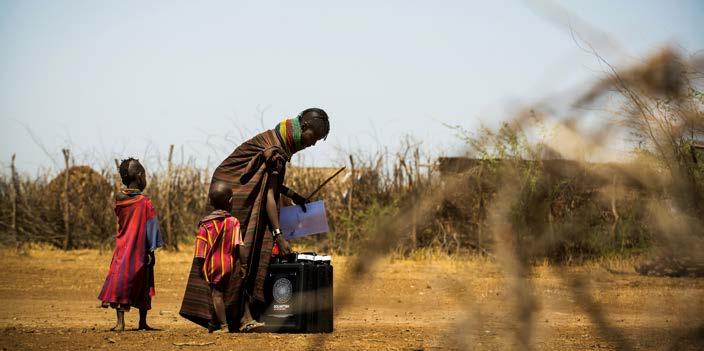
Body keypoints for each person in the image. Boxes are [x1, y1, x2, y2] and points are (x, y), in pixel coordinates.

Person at [180, 107, 329, 332]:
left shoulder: (276, 141)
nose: (313, 143)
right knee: (244, 254)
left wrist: (292, 196)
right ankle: (239, 317)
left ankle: (236, 316)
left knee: (244, 253)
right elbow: (268, 194)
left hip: (232, 190)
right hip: (234, 195)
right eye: (314, 138)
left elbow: (269, 184)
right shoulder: (275, 150)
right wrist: (279, 235)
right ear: (304, 128)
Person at [98, 158, 164, 332]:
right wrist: (152, 249)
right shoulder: (144, 202)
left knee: (121, 282)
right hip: (140, 250)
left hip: (123, 248)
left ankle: (121, 323)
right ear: (140, 176)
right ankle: (142, 322)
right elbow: (152, 227)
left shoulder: (119, 199)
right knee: (145, 282)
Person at [193, 182, 261, 332]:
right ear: (230, 202)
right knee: (227, 292)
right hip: (228, 265)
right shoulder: (233, 222)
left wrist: (200, 268)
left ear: (210, 202)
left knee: (216, 295)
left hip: (212, 266)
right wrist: (244, 265)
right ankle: (219, 323)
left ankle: (223, 326)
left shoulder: (205, 225)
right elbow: (240, 245)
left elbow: (200, 251)